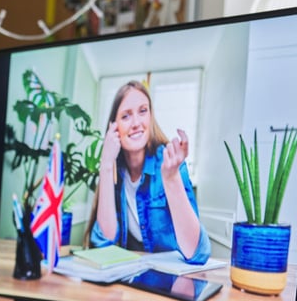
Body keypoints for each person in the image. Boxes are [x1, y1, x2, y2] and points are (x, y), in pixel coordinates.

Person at [87, 80, 210, 264]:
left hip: (173, 283)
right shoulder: (116, 173)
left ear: (150, 117)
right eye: (126, 116)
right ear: (114, 128)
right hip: (133, 280)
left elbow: (198, 253)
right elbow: (104, 243)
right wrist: (106, 164)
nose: (136, 123)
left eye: (143, 111)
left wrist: (171, 179)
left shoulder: (170, 163)